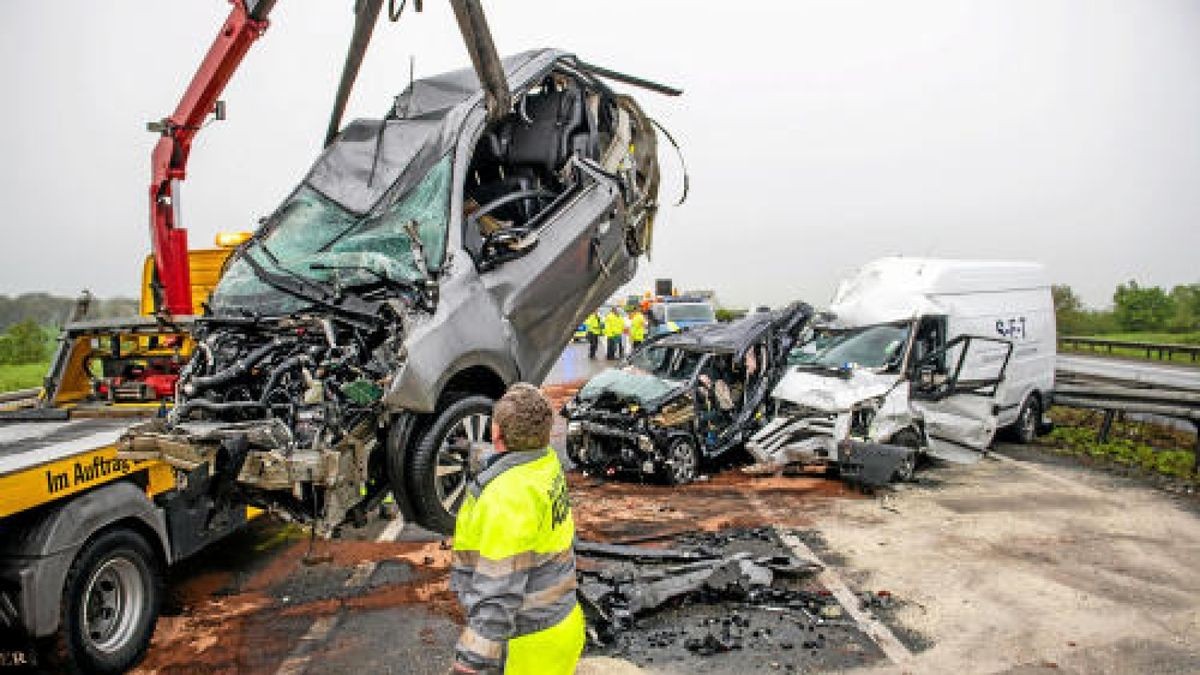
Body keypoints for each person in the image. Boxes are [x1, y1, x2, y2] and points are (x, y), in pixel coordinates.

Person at [450, 384, 584, 674]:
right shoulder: (545, 462)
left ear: (495, 433)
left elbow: (498, 591)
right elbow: (513, 459)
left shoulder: (507, 498)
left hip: (530, 648)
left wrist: (472, 661)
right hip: (561, 622)